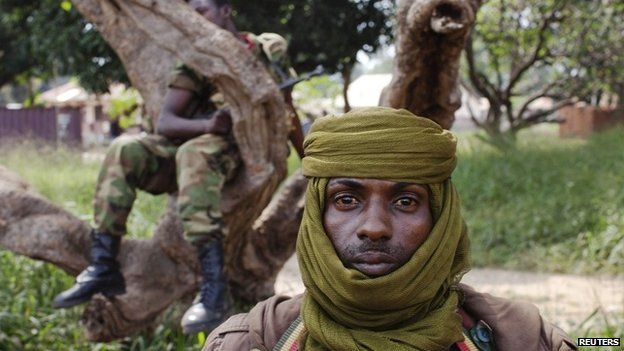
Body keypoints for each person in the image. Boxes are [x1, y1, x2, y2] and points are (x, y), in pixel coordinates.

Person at [202, 107, 577, 351]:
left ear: (441, 220)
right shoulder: (252, 341)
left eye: (406, 202)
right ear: (316, 214)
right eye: (347, 200)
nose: (375, 228)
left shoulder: (524, 338)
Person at [52, 0, 305, 335]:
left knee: (194, 153)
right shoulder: (195, 61)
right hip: (201, 144)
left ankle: (214, 290)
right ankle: (103, 264)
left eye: (203, 11)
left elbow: (287, 109)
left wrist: (308, 157)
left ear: (226, 10)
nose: (196, 20)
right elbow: (167, 121)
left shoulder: (265, 50)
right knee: (125, 148)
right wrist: (209, 124)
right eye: (191, 13)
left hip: (240, 153)